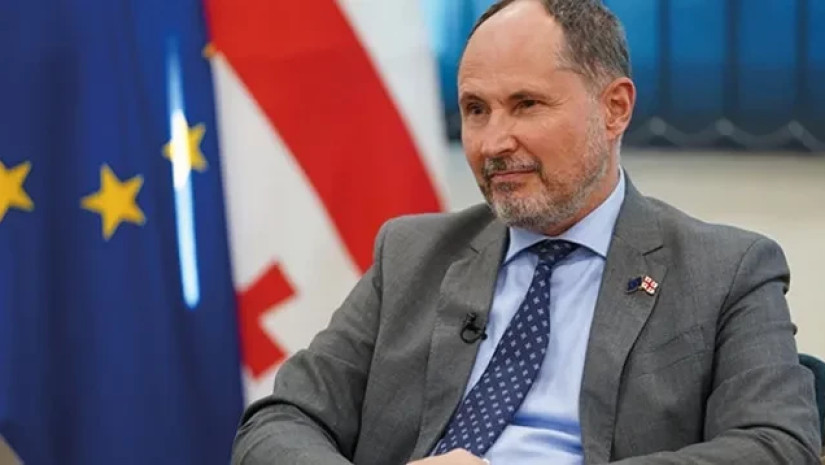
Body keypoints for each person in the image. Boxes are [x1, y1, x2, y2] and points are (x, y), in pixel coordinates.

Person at [231, 0, 821, 464]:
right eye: (476, 109)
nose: (493, 142)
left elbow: (776, 445)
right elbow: (280, 422)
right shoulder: (410, 254)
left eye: (527, 104)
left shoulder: (727, 269)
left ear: (614, 108)